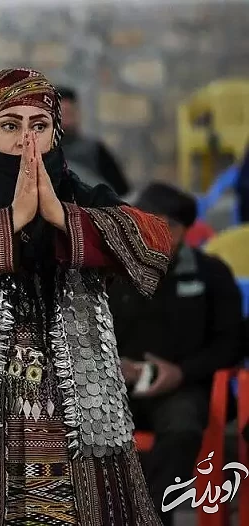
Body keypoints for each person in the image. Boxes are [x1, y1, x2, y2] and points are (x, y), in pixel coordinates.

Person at [0, 68, 172, 525]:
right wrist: (12, 220)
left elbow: (156, 242)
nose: (26, 140)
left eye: (39, 125)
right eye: (10, 125)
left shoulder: (83, 197)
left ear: (56, 133)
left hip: (79, 410)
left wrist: (62, 216)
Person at [111, 182, 243, 525]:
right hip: (114, 385)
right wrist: (112, 366)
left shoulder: (210, 274)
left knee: (182, 427)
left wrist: (181, 373)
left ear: (183, 232)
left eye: (164, 225)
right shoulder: (109, 271)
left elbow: (231, 343)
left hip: (182, 388)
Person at [58, 87, 131, 197]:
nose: (66, 120)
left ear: (77, 114)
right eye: (62, 114)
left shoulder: (95, 149)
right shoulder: (42, 151)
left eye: (69, 113)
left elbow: (123, 193)